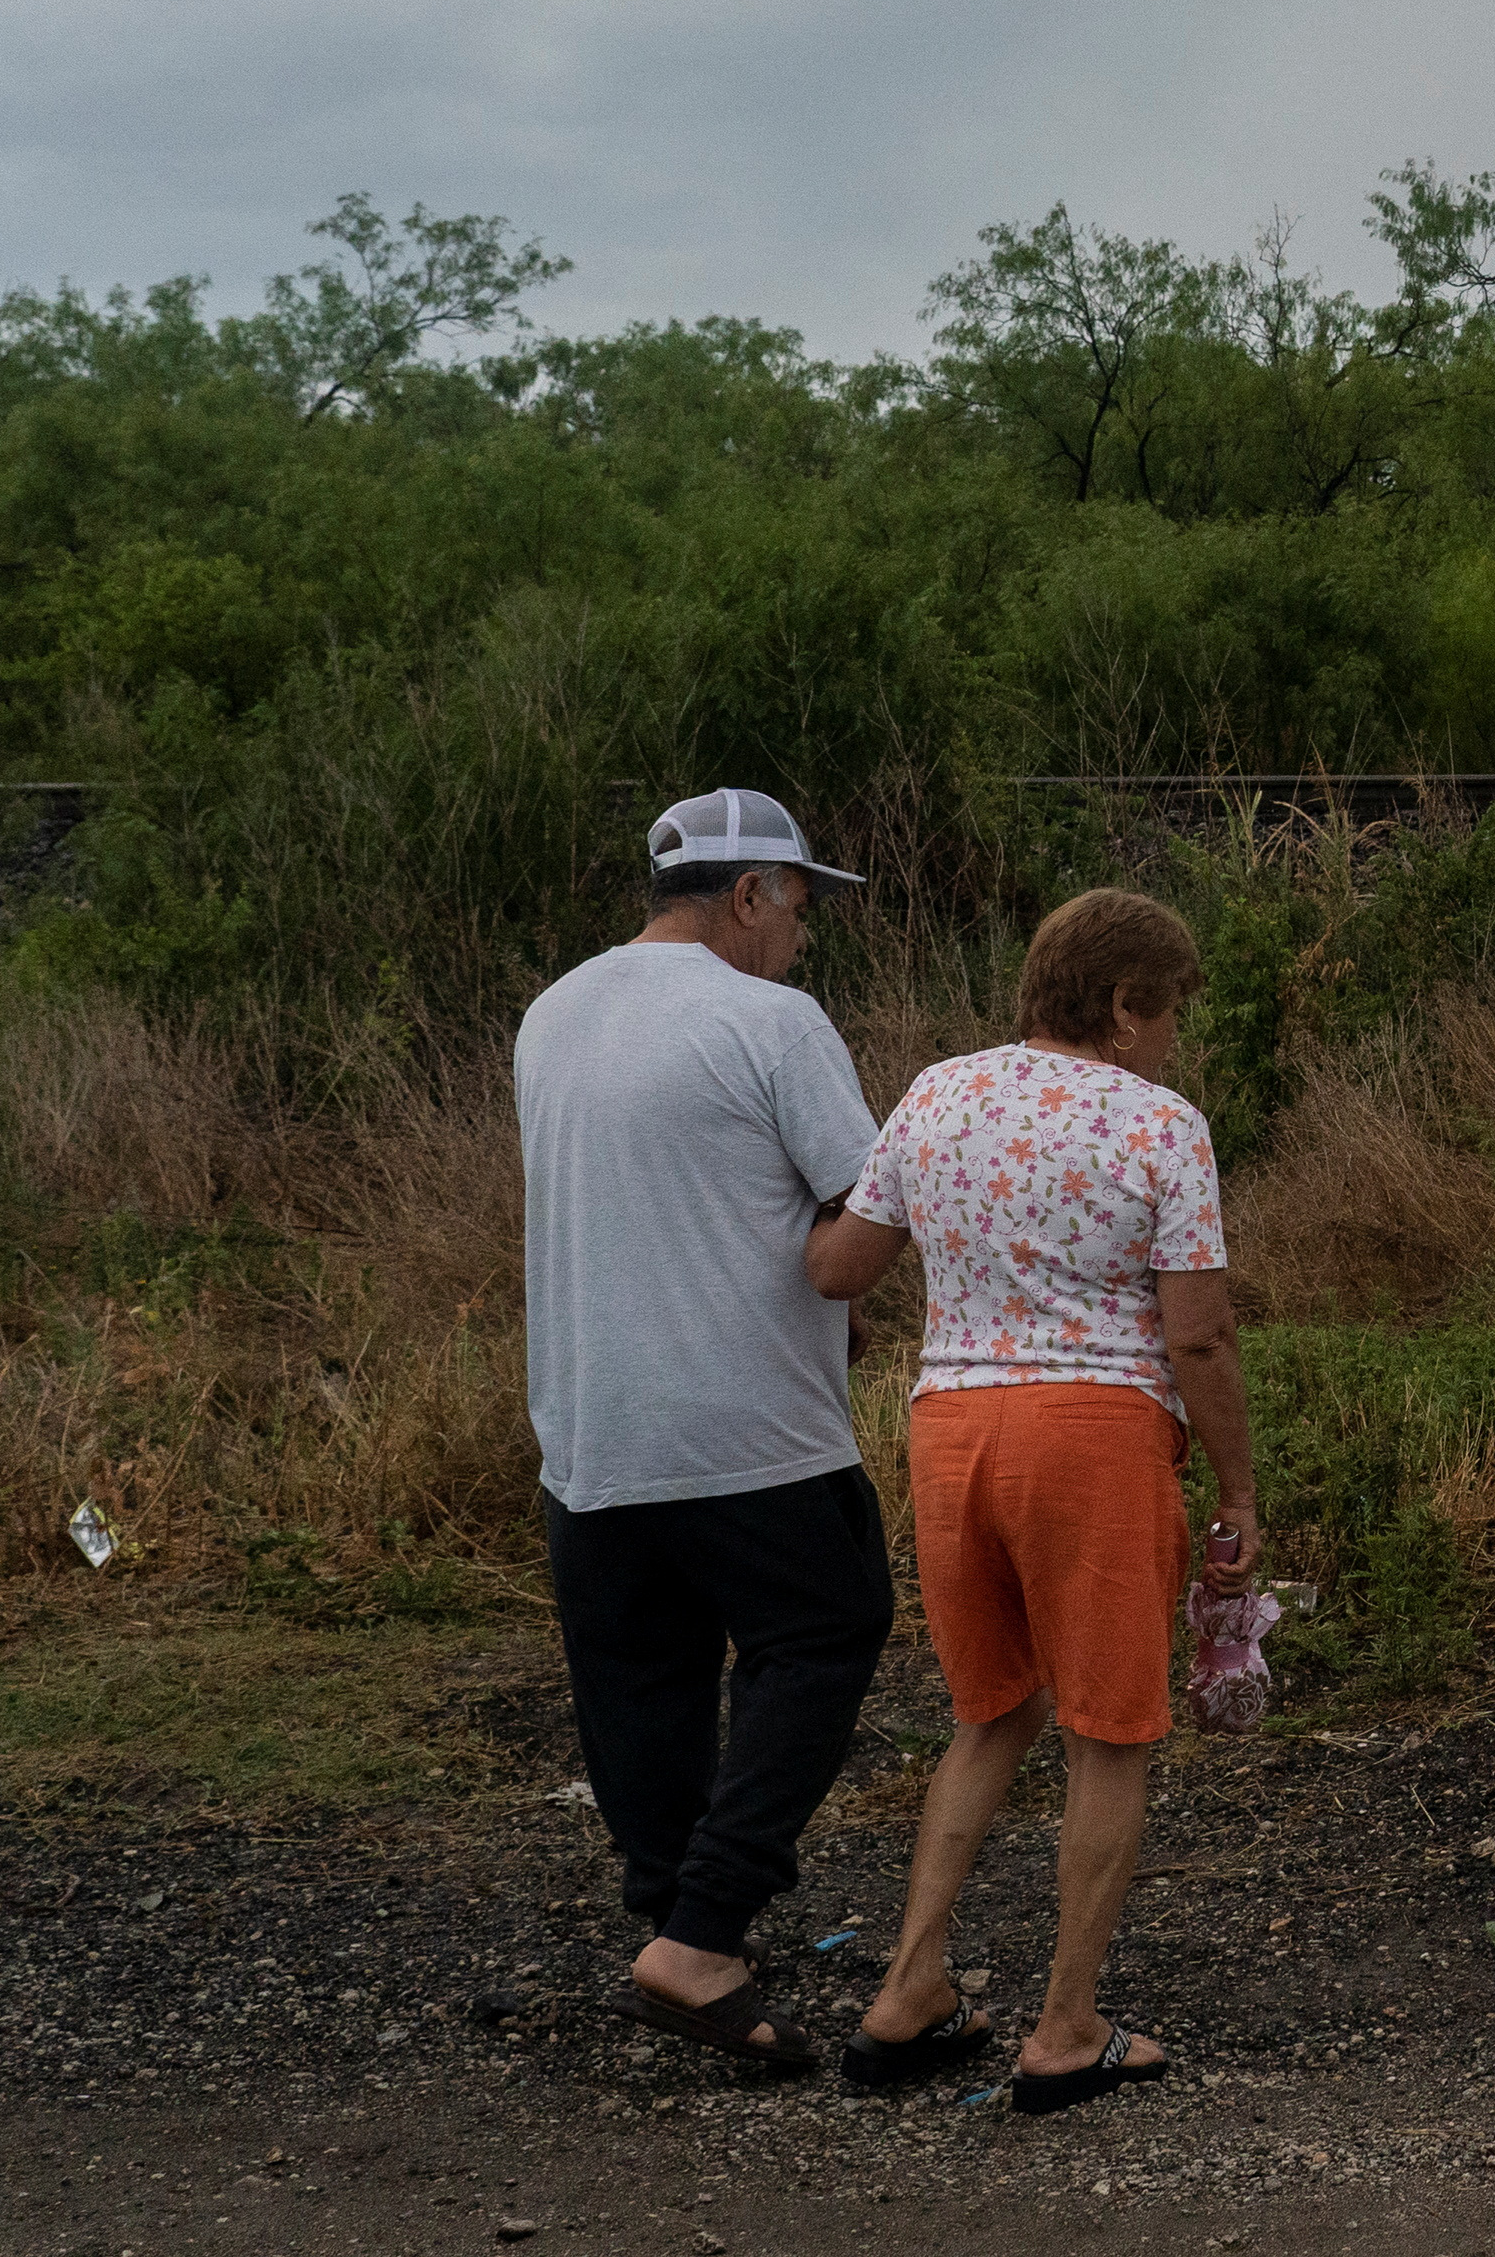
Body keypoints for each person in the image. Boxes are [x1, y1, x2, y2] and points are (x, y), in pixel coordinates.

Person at [810, 887, 1259, 2115]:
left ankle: (909, 1989)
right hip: (1094, 1438)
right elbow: (1199, 1336)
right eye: (1169, 1012)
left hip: (953, 1434)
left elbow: (841, 1266)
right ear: (1123, 1005)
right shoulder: (1161, 1125)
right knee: (1109, 1733)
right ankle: (1065, 2029)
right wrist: (1238, 1487)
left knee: (990, 1712)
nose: (1172, 1037)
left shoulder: (936, 1093)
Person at [516, 787, 890, 2074]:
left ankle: (677, 1926)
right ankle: (702, 1937)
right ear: (746, 895)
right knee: (827, 1628)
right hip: (748, 1426)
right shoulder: (773, 1020)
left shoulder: (552, 1012)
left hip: (590, 1427)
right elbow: (865, 1204)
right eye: (799, 904)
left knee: (643, 1672)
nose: (804, 933)